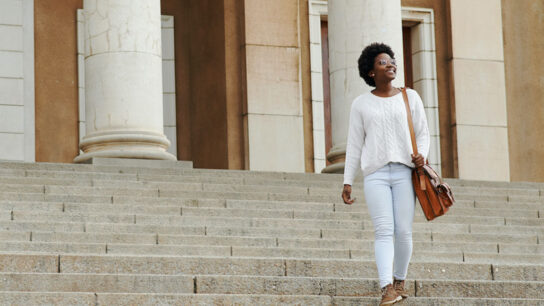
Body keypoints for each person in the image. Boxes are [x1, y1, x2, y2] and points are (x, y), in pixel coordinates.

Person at [341, 42, 430, 305]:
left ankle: (400, 280)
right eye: (383, 62)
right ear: (371, 72)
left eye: (392, 61)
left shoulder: (410, 97)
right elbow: (354, 144)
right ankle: (386, 288)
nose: (390, 64)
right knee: (383, 231)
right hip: (375, 175)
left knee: (403, 231)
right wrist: (348, 180)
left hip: (405, 172)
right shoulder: (361, 104)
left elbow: (423, 133)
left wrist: (422, 154)